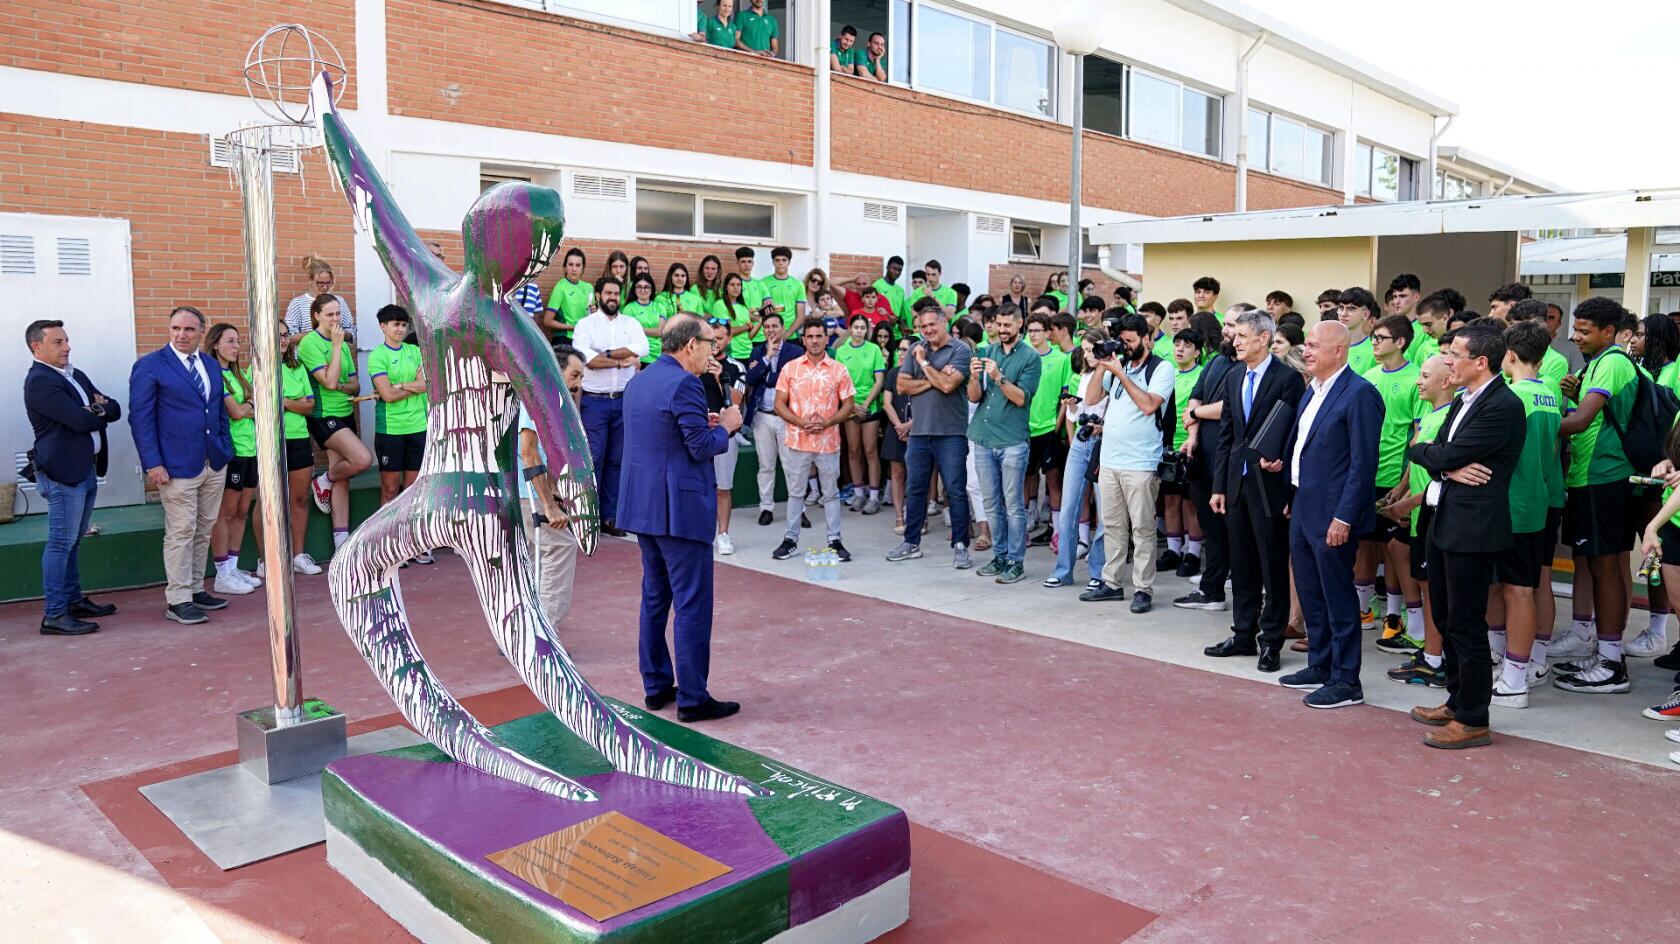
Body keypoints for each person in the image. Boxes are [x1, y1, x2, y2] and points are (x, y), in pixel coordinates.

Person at [619, 316, 744, 723]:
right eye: (710, 344)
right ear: (691, 345)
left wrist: (702, 426)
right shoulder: (686, 383)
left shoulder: (641, 379)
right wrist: (726, 426)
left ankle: (656, 687)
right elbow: (699, 447)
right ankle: (693, 697)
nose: (714, 352)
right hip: (680, 509)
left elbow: (663, 434)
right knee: (692, 603)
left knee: (655, 598)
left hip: (644, 507)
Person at [1407, 322, 1526, 749]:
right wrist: (1447, 465)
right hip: (1445, 519)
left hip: (1473, 528)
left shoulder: (1501, 406)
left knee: (1466, 622)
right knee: (1444, 614)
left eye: (1455, 354)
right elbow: (1422, 446)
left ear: (1480, 362)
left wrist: (1444, 460)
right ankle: (1457, 699)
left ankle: (1474, 716)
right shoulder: (1463, 400)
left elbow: (1443, 451)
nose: (1447, 361)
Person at [1274, 321, 1383, 709]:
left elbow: (1362, 464)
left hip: (1335, 513)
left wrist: (1345, 517)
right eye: (1307, 344)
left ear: (1339, 351)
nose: (1306, 350)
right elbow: (1304, 446)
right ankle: (1320, 665)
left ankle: (1346, 679)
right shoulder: (1313, 390)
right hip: (1304, 504)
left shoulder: (1360, 395)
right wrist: (1290, 487)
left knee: (1338, 596)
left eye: (1315, 345)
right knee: (1310, 591)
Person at [1202, 310, 1304, 672]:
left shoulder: (1288, 379)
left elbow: (1292, 432)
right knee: (1241, 563)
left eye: (1243, 335)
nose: (1236, 340)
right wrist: (1219, 486)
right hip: (1235, 484)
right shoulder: (1233, 376)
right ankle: (1243, 634)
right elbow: (1227, 435)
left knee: (1272, 565)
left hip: (1269, 486)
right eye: (1236, 335)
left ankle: (1271, 642)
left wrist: (1282, 463)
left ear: (1264, 338)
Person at [1552, 297, 1640, 694]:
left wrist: (1529, 422)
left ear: (1610, 332)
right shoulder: (1596, 365)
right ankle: (1604, 653)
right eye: (1576, 328)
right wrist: (1574, 392)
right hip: (1589, 476)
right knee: (1596, 563)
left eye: (1585, 330)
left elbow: (1583, 420)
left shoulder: (1614, 362)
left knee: (1605, 567)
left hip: (1606, 476)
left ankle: (1611, 663)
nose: (1576, 336)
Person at [129, 305, 234, 625]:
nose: (181, 335)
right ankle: (178, 599)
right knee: (181, 531)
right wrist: (152, 464)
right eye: (176, 328)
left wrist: (224, 448)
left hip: (212, 462)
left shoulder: (210, 365)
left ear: (202, 332)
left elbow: (218, 411)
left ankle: (194, 587)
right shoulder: (150, 366)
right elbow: (141, 419)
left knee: (204, 528)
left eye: (189, 329)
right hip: (174, 466)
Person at [24, 319, 121, 635]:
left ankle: (73, 599)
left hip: (85, 469)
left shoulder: (74, 375)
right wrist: (95, 410)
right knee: (60, 543)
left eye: (66, 340)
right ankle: (54, 613)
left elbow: (115, 409)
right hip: (63, 473)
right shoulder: (40, 381)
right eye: (57, 342)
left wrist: (95, 410)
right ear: (36, 346)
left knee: (73, 542)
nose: (67, 347)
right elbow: (80, 421)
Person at [1489, 321, 1565, 709]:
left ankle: (1514, 678)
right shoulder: (1549, 392)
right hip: (1539, 500)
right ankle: (1518, 665)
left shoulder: (1514, 396)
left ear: (1511, 355)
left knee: (1516, 590)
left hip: (1513, 505)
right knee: (1527, 587)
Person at [1079, 313, 1175, 612]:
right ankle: (1111, 583)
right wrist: (1100, 364)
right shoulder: (1115, 364)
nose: (1126, 346)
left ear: (1147, 338)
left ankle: (1143, 589)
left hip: (1142, 463)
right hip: (1109, 460)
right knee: (1113, 525)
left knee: (1143, 529)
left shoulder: (1162, 368)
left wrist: (1120, 374)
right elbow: (1092, 399)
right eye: (1122, 341)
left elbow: (1148, 406)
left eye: (1131, 341)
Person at [1384, 354, 1455, 686]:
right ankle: (1429, 649)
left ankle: (1434, 657)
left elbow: (1441, 475)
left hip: (1431, 516)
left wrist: (1410, 504)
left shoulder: (1447, 418)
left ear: (1445, 381)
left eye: (1425, 375)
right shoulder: (1430, 413)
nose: (1418, 380)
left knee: (1434, 591)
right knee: (1422, 581)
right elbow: (1418, 463)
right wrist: (1401, 490)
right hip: (1417, 515)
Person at [887, 298, 974, 567]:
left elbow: (950, 387)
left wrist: (924, 366)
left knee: (955, 491)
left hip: (951, 433)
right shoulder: (915, 347)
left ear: (944, 322)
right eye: (923, 326)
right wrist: (934, 377)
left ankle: (960, 546)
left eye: (932, 324)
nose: (927, 330)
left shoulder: (960, 350)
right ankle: (911, 542)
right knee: (916, 489)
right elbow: (901, 386)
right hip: (920, 433)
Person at [965, 303, 1041, 584]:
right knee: (990, 502)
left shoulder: (1031, 358)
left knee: (1013, 504)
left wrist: (998, 376)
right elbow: (973, 397)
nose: (1003, 330)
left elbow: (1021, 398)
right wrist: (974, 377)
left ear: (1019, 324)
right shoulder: (985, 351)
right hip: (983, 437)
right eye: (999, 324)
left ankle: (1016, 561)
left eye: (1008, 325)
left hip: (1012, 440)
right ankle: (999, 556)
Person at [1363, 315, 1426, 647]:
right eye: (1372, 337)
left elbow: (1417, 437)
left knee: (1395, 550)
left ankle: (1396, 616)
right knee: (1364, 544)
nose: (1374, 343)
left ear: (1400, 342)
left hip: (1397, 478)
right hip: (1367, 474)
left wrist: (1403, 485)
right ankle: (1363, 611)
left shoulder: (1417, 378)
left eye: (1380, 337)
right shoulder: (1368, 377)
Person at [771, 316, 855, 561]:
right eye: (811, 336)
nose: (815, 341)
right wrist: (801, 422)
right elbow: (779, 404)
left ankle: (835, 541)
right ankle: (790, 540)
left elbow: (849, 404)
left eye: (820, 336)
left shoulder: (839, 369)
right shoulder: (790, 368)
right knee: (796, 492)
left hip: (828, 441)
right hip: (798, 440)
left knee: (830, 493)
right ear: (803, 339)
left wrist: (828, 422)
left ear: (827, 339)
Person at [298, 294, 373, 553]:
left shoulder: (340, 344)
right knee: (361, 459)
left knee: (344, 474)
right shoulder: (310, 343)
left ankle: (341, 540)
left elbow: (355, 384)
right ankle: (323, 481)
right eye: (329, 314)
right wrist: (338, 349)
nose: (335, 319)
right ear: (316, 315)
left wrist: (341, 384)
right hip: (323, 414)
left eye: (338, 313)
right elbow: (328, 383)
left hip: (344, 412)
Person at [574, 276, 648, 536]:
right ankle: (589, 518)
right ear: (598, 295)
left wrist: (604, 353)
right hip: (595, 402)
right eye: (608, 293)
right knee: (594, 459)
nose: (613, 298)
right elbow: (586, 358)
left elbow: (643, 347)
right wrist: (619, 359)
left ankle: (610, 517)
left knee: (617, 460)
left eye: (616, 293)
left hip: (624, 401)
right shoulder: (585, 325)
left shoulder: (631, 323)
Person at [518, 348, 585, 626]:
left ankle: (527, 630)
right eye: (574, 375)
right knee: (560, 548)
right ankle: (546, 636)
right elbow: (528, 452)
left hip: (529, 492)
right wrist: (548, 504)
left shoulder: (551, 399)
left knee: (536, 560)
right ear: (557, 371)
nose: (578, 383)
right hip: (529, 496)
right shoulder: (538, 399)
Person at [1176, 312, 1235, 611]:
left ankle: (1215, 587)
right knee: (1211, 526)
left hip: (1229, 460)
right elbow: (1195, 398)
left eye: (1234, 325)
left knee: (1228, 528)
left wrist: (1198, 414)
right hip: (1202, 455)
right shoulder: (1215, 361)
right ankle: (1213, 585)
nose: (1227, 330)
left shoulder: (1247, 369)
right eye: (1227, 324)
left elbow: (1232, 407)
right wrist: (1194, 435)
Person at [1044, 328, 1109, 589]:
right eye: (1085, 349)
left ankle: (1099, 571)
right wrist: (1072, 407)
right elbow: (1075, 415)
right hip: (1081, 444)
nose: (1089, 354)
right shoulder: (1083, 376)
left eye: (1093, 349)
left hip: (1105, 445)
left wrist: (1103, 426)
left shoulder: (1113, 376)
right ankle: (1063, 570)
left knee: (1105, 514)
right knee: (1069, 508)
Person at [368, 304, 431, 564]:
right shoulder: (377, 356)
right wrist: (412, 387)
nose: (400, 329)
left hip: (418, 427)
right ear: (383, 327)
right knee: (391, 489)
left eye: (404, 325)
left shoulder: (416, 351)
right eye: (395, 324)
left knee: (413, 489)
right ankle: (388, 544)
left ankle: (412, 543)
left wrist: (403, 385)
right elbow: (388, 395)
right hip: (391, 430)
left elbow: (427, 384)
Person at [205, 323, 261, 595]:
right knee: (225, 513)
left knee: (241, 511)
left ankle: (234, 566)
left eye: (238, 342)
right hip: (232, 451)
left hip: (251, 449)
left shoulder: (239, 375)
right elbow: (238, 412)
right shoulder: (215, 374)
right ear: (215, 344)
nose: (236, 347)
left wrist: (249, 406)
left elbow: (254, 403)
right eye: (230, 341)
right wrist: (250, 405)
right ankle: (222, 573)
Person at [742, 311, 802, 526]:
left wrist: (767, 375)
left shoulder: (795, 352)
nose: (770, 330)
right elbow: (750, 378)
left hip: (787, 416)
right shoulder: (758, 352)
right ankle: (766, 508)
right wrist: (766, 358)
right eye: (767, 327)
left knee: (792, 465)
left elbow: (794, 380)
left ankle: (799, 509)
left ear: (783, 328)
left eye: (774, 326)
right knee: (765, 465)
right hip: (762, 416)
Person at [272, 329, 323, 577]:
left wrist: (285, 402)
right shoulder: (255, 370)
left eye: (285, 334)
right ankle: (267, 559)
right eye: (277, 334)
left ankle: (297, 556)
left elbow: (310, 406)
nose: (283, 339)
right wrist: (295, 402)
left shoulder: (297, 367)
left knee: (299, 498)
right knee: (270, 502)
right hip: (272, 442)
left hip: (299, 438)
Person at [1162, 326, 1205, 577]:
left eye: (1187, 345)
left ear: (1197, 352)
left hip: (1191, 446)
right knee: (1170, 499)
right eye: (1177, 344)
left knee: (1191, 502)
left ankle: (1193, 552)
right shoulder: (1167, 373)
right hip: (1168, 446)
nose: (1180, 349)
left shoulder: (1202, 375)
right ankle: (1173, 550)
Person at [1023, 312, 1070, 545]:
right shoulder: (1021, 356)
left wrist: (1056, 427)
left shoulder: (1061, 359)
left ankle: (1058, 531)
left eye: (1037, 331)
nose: (1033, 335)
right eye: (1029, 331)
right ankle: (1022, 528)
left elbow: (1065, 398)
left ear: (1047, 333)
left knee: (1053, 482)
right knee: (1024, 479)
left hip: (1049, 430)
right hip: (1023, 430)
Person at [834, 313, 885, 513]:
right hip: (850, 406)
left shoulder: (874, 350)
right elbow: (839, 383)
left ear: (867, 330)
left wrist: (865, 404)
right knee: (853, 451)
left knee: (870, 451)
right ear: (850, 328)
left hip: (869, 407)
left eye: (863, 328)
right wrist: (852, 406)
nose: (859, 331)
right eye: (856, 327)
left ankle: (873, 496)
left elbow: (879, 380)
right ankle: (858, 493)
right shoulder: (841, 351)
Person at [700, 336, 745, 555]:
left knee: (723, 488)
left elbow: (735, 403)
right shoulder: (694, 364)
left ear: (728, 338)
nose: (715, 341)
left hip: (725, 436)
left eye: (719, 336)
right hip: (697, 435)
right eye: (711, 337)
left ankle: (723, 534)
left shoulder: (736, 367)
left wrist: (720, 378)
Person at [881, 337, 913, 532]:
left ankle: (920, 516)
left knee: (918, 475)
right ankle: (899, 515)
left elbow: (928, 405)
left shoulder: (922, 374)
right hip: (896, 428)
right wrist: (900, 426)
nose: (901, 353)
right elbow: (887, 403)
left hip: (917, 429)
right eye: (899, 350)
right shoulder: (892, 373)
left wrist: (910, 425)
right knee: (897, 473)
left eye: (905, 350)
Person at [284, 255, 353, 335]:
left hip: (334, 346)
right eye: (320, 283)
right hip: (308, 347)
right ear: (311, 280)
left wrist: (338, 333)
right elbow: (289, 337)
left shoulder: (339, 301)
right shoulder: (298, 303)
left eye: (328, 283)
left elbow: (352, 332)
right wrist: (319, 334)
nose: (325, 287)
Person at [541, 247, 593, 342]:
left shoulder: (589, 288)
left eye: (578, 265)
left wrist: (595, 311)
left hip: (584, 339)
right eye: (570, 264)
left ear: (583, 268)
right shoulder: (560, 287)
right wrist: (573, 328)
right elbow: (547, 321)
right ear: (565, 267)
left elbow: (592, 317)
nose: (574, 269)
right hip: (564, 339)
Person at [712, 271, 758, 366]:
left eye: (738, 285)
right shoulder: (720, 305)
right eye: (732, 285)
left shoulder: (743, 307)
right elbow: (727, 331)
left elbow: (750, 336)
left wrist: (761, 321)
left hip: (748, 352)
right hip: (732, 353)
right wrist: (747, 327)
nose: (736, 287)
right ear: (726, 288)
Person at [906, 259, 958, 328]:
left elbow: (948, 315)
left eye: (934, 274)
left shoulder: (950, 293)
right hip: (922, 333)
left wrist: (932, 297)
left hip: (942, 334)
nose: (930, 278)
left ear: (940, 274)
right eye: (928, 274)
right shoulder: (916, 292)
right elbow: (915, 317)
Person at [1338, 287, 1378, 376]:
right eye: (1341, 308)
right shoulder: (1329, 344)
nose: (1343, 314)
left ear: (1365, 314)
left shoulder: (1376, 348)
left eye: (1351, 309)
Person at [875, 257, 907, 326]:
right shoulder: (877, 286)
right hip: (884, 330)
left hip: (897, 333)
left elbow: (900, 314)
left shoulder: (900, 290)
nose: (896, 272)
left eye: (899, 270)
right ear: (887, 267)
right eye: (894, 268)